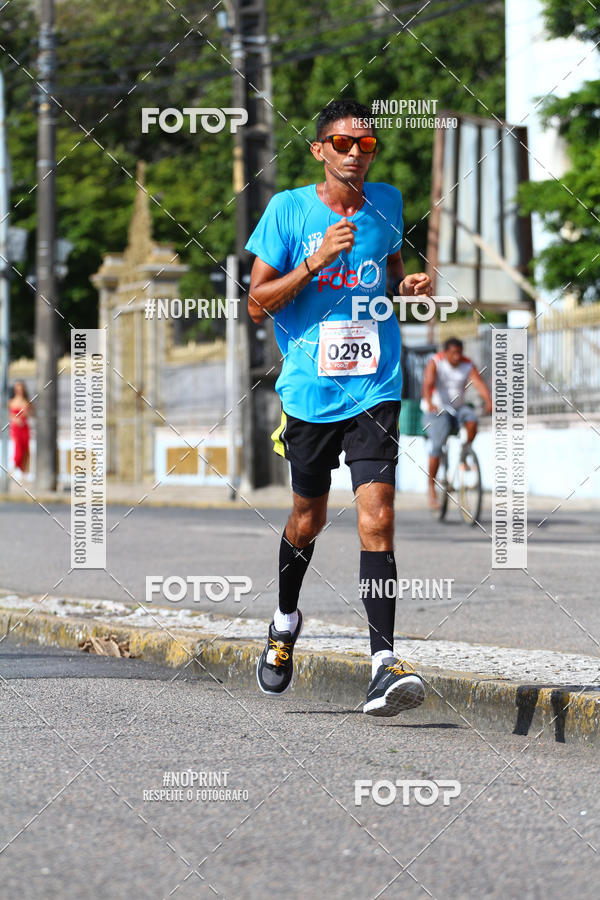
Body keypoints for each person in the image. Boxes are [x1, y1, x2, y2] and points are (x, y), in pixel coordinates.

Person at [245, 98, 432, 716]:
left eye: (367, 144)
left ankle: (383, 662)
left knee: (377, 518)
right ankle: (284, 621)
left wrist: (405, 286)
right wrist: (313, 262)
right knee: (309, 520)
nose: (357, 153)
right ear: (319, 149)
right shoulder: (287, 210)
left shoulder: (389, 203)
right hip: (309, 392)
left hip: (376, 385)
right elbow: (256, 303)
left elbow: (391, 269)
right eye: (345, 143)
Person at [421, 337, 492, 509]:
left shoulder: (467, 364)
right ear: (445, 353)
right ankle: (431, 487)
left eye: (459, 353)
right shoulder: (435, 362)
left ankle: (465, 451)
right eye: (453, 353)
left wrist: (489, 401)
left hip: (458, 408)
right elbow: (428, 383)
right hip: (436, 409)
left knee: (472, 420)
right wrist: (429, 401)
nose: (456, 357)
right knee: (437, 445)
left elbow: (478, 383)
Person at [9, 380, 33, 481]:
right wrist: (15, 419)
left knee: (25, 450)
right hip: (16, 428)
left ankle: (24, 473)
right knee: (18, 449)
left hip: (25, 428)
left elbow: (31, 413)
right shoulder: (11, 401)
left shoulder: (27, 401)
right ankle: (13, 468)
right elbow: (10, 415)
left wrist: (25, 413)